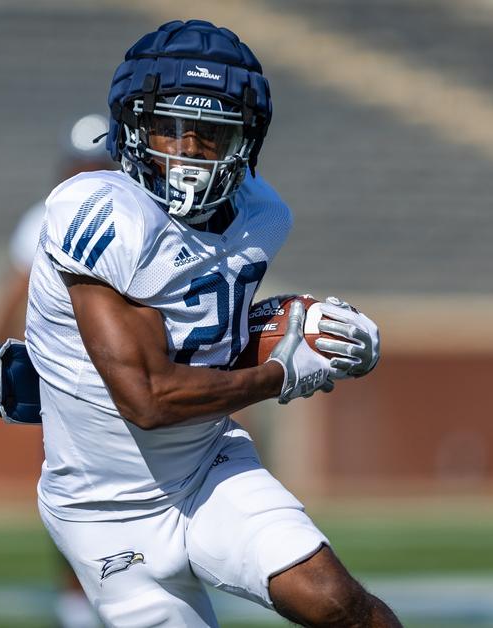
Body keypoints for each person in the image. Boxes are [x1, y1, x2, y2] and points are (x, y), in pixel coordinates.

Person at [20, 20, 401, 627]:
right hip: (104, 512)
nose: (189, 152)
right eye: (171, 130)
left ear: (246, 141)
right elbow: (149, 397)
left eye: (212, 135)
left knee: (341, 606)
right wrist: (281, 375)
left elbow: (208, 335)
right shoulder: (100, 213)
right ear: (132, 129)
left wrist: (318, 330)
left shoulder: (261, 215)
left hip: (207, 469)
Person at [0, 115, 114, 628]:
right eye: (79, 166)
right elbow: (11, 295)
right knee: (70, 489)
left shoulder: (139, 216)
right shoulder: (42, 219)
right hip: (67, 374)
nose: (85, 175)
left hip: (122, 370)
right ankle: (76, 602)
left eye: (95, 166)